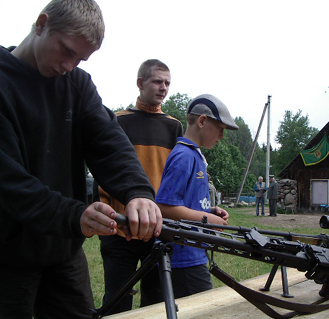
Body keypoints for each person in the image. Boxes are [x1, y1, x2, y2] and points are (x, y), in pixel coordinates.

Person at [0, 1, 162, 318]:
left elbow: (109, 141)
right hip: (7, 255)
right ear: (41, 24)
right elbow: (9, 183)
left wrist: (137, 191)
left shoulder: (76, 83)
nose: (69, 65)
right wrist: (76, 215)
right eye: (66, 50)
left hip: (63, 252)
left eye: (81, 59)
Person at [99, 59, 183, 313]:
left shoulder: (174, 126)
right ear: (140, 83)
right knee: (117, 298)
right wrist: (110, 218)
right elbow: (104, 170)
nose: (163, 88)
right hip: (119, 227)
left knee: (156, 299)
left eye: (167, 83)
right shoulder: (117, 121)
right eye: (157, 81)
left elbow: (176, 177)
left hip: (157, 227)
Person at [155, 94, 239, 298]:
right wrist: (206, 219)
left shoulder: (194, 155)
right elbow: (163, 207)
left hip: (193, 250)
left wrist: (210, 211)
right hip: (183, 257)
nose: (221, 136)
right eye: (220, 129)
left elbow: (183, 203)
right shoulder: (184, 156)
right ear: (202, 121)